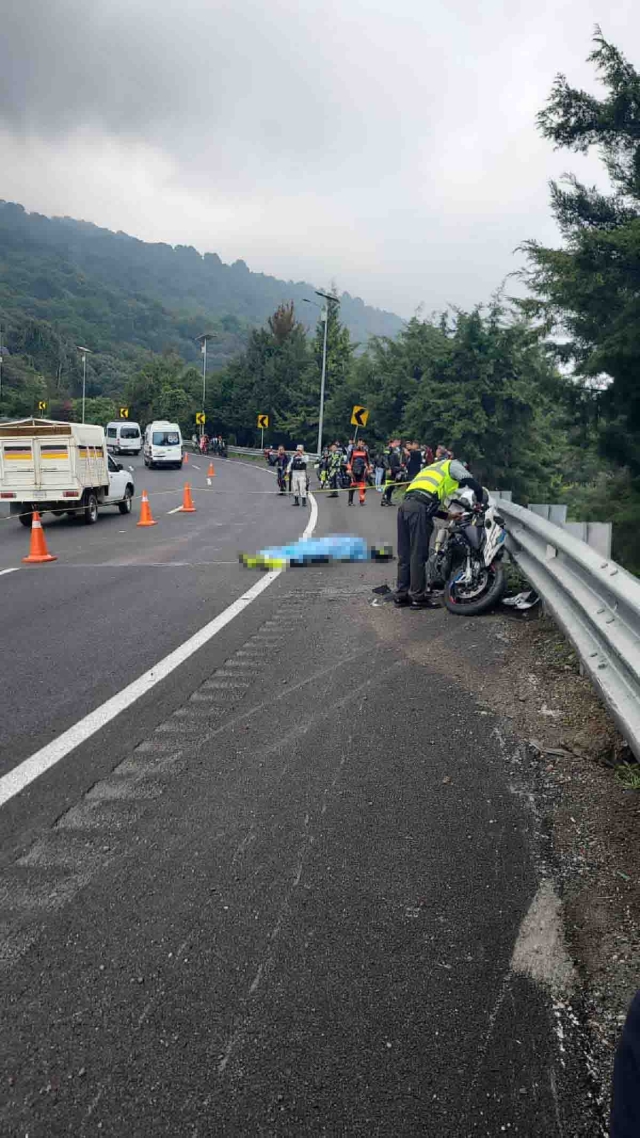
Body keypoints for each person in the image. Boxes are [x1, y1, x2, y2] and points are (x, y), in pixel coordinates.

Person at [394, 455, 483, 608]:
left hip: (405, 507)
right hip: (418, 509)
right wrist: (480, 500)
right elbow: (470, 481)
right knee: (418, 555)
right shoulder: (453, 465)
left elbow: (425, 501)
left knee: (405, 554)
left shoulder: (431, 469)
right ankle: (418, 597)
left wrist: (448, 516)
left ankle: (401, 596)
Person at [381, 439, 405, 506]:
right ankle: (384, 500)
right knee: (388, 486)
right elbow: (385, 459)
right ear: (394, 442)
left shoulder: (395, 450)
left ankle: (388, 500)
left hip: (394, 470)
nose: (399, 444)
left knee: (392, 486)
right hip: (389, 470)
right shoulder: (388, 449)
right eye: (398, 442)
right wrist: (388, 468)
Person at [347, 439, 370, 506]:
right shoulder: (353, 450)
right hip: (354, 470)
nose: (361, 445)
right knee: (353, 486)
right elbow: (348, 460)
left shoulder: (365, 451)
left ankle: (362, 501)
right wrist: (349, 469)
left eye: (362, 444)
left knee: (362, 486)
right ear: (357, 443)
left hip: (362, 470)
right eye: (360, 443)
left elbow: (367, 460)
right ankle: (350, 501)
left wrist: (368, 468)